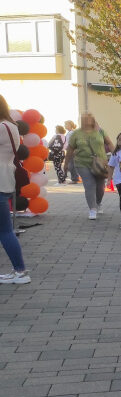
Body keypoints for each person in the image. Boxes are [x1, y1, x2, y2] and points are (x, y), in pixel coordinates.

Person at [0, 94, 30, 284]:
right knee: (5, 229)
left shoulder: (1, 127)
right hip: (5, 178)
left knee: (5, 231)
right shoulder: (10, 126)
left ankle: (20, 271)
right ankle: (19, 270)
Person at [64, 113, 115, 220]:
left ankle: (98, 203)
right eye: (84, 119)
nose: (86, 120)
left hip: (100, 163)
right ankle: (92, 209)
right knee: (89, 184)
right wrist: (66, 163)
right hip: (82, 163)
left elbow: (109, 143)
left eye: (89, 118)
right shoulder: (76, 134)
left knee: (100, 187)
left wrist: (117, 157)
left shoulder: (100, 131)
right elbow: (70, 149)